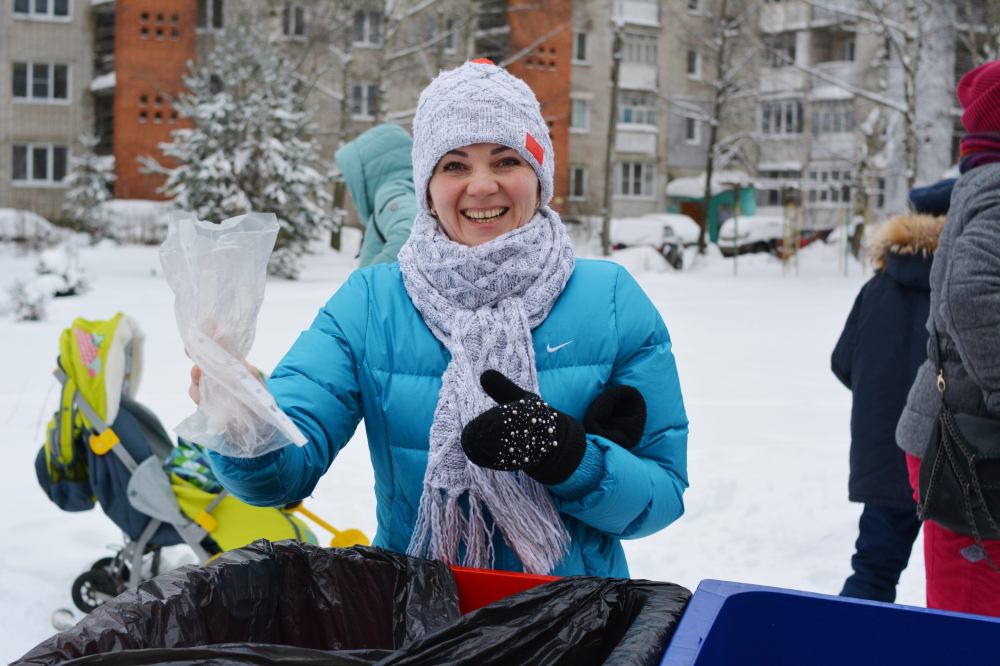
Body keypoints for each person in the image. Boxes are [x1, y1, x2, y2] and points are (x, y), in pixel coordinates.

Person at [192, 59, 689, 577]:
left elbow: (661, 495)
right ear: (426, 186)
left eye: (505, 161)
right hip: (422, 616)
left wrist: (572, 459)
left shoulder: (609, 299)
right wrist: (245, 426)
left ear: (539, 177)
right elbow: (281, 479)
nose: (481, 186)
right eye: (454, 165)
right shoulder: (372, 303)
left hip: (576, 621)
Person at [896, 59, 1000, 616]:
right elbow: (971, 293)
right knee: (973, 622)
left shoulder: (981, 184)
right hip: (974, 448)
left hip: (963, 434)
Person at [831, 207, 945, 602]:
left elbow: (842, 362)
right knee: (956, 581)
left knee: (873, 571)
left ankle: (848, 650)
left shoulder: (875, 289)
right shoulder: (964, 288)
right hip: (950, 457)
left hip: (883, 451)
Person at [334, 124, 417, 266]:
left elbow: (409, 236)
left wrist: (368, 282)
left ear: (365, 173)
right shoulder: (406, 190)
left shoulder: (392, 193)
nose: (350, 189)